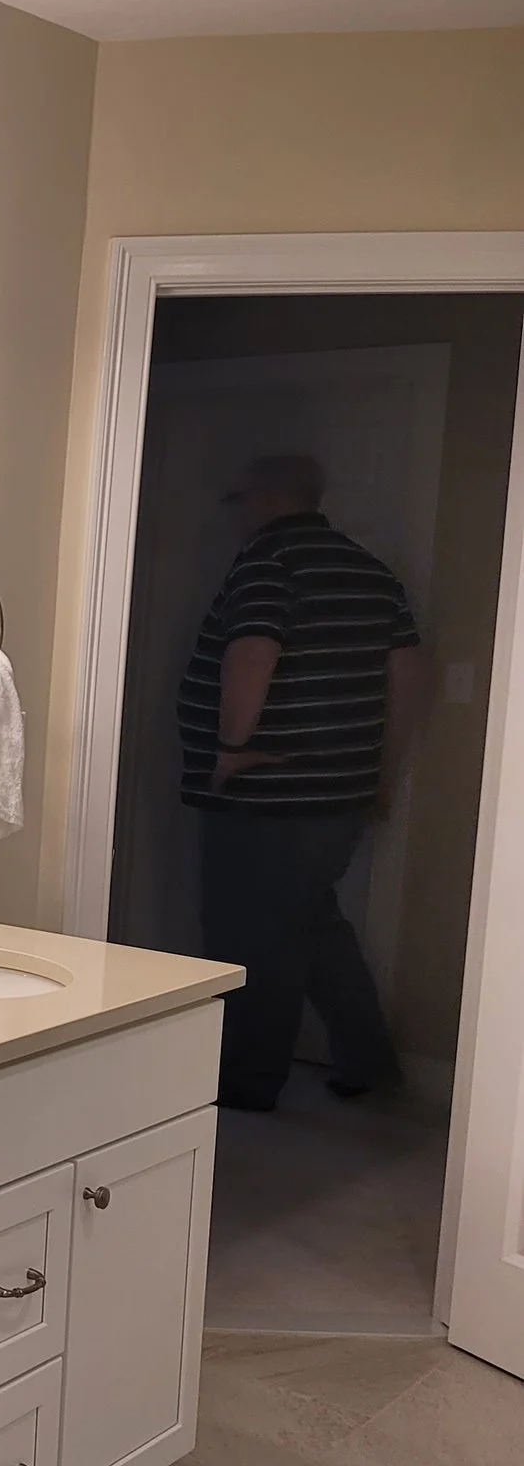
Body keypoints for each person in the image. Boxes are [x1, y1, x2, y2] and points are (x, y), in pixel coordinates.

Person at [178, 452, 428, 1111]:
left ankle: (246, 1085)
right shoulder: (372, 573)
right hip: (338, 795)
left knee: (251, 938)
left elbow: (252, 650)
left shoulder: (269, 562)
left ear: (263, 497)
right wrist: (383, 776)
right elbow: (406, 680)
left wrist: (231, 748)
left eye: (236, 499)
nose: (233, 514)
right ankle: (368, 1061)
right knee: (312, 925)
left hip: (266, 797)